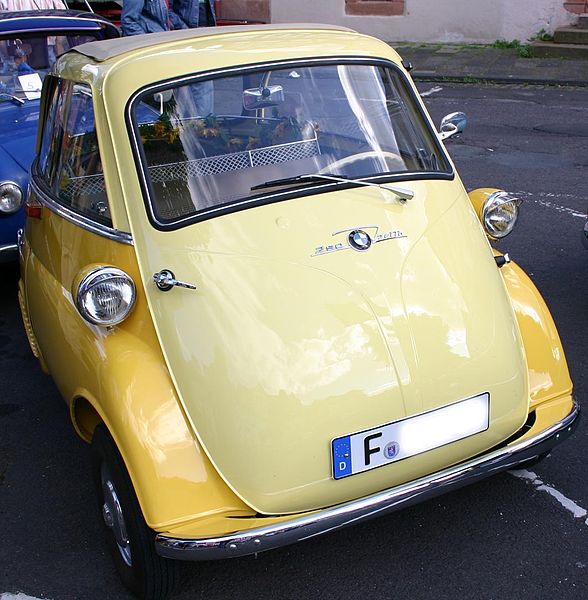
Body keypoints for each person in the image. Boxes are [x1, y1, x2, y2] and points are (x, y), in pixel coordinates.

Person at [121, 0, 187, 36]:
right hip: (150, 43)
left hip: (162, 38)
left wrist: (186, 30)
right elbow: (128, 20)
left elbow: (168, 12)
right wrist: (146, 41)